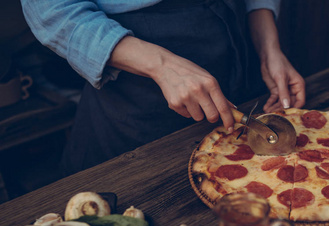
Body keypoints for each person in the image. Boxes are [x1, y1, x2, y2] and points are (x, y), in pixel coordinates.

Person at [21, 0, 306, 175]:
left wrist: (268, 47)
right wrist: (161, 65)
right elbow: (51, 9)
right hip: (134, 58)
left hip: (234, 31)